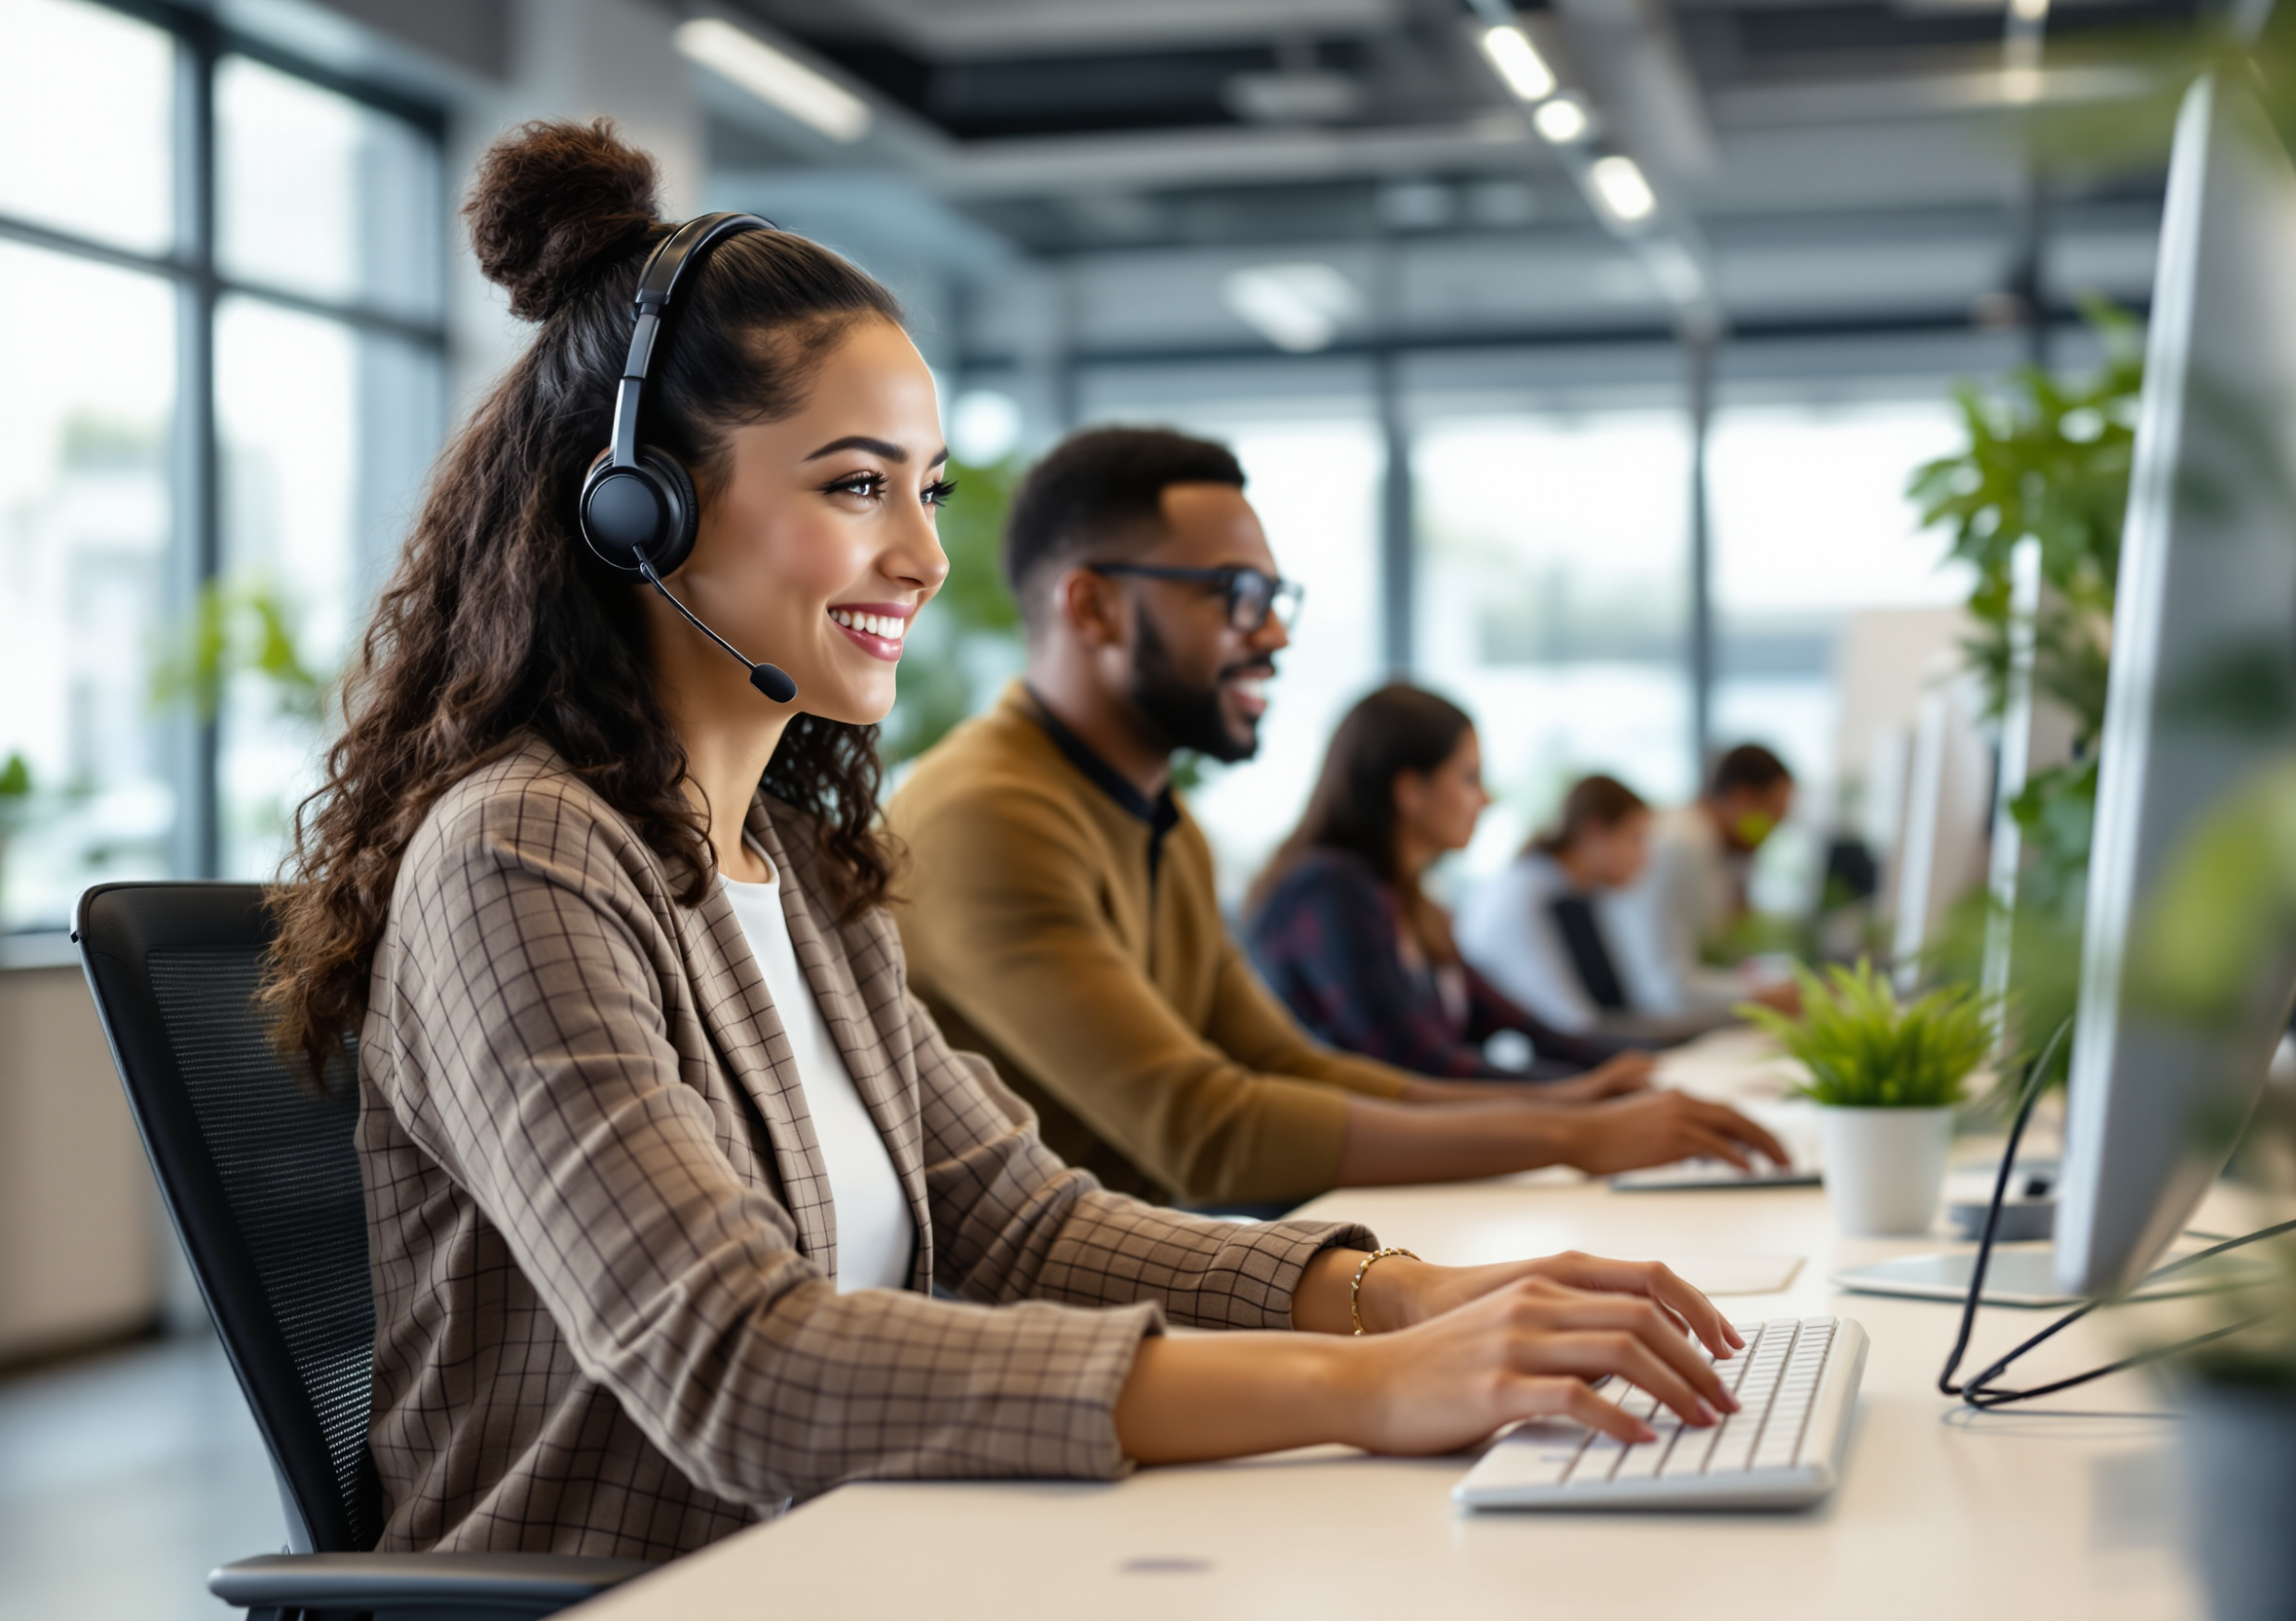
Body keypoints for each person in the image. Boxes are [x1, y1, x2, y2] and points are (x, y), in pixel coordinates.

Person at [260, 121, 1750, 1562]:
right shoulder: (520, 856)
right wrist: (1366, 1388)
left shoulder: (796, 866)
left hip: (859, 1554)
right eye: (856, 486)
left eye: (928, 491)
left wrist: (1412, 1298)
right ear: (637, 507)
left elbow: (1028, 1227)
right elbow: (741, 1369)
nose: (920, 556)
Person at [887, 427, 1786, 1210]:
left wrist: (1565, 1106)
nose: (1274, 634)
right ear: (1093, 606)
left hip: (1142, 1282)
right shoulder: (986, 815)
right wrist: (1570, 1137)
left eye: (1274, 600)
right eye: (1234, 594)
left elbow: (1290, 1066)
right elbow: (1204, 1131)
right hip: (1027, 1324)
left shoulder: (1160, 818)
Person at [1244, 687, 1655, 1084]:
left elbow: (1520, 1024)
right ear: (1410, 790)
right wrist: (1577, 1092)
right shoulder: (1332, 890)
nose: (1485, 800)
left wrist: (1643, 1067)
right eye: (1469, 778)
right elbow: (1414, 1064)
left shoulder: (1412, 904)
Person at [1455, 772, 1713, 1040]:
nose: (1645, 858)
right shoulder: (1529, 895)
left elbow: (1610, 1009)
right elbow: (1571, 1025)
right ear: (1594, 831)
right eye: (1636, 839)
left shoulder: (1575, 892)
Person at [1602, 743, 1802, 1016]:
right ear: (1742, 797)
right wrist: (1764, 996)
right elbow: (1667, 987)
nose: (1771, 834)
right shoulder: (1682, 844)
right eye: (1773, 817)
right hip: (1651, 1020)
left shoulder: (1713, 847)